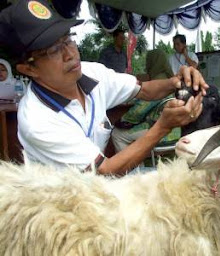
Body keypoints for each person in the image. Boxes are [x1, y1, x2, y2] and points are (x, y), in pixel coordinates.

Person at [0, 0, 208, 176]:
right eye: (54, 50)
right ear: (28, 69)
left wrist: (176, 82)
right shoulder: (38, 121)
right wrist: (163, 126)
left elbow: (144, 89)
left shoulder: (92, 73)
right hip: (62, 210)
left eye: (68, 40)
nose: (70, 54)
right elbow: (105, 170)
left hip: (97, 190)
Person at [112, 49, 180, 153]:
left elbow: (137, 113)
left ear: (151, 63)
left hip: (160, 131)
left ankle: (131, 169)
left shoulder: (156, 83)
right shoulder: (170, 80)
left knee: (117, 134)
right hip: (176, 131)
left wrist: (120, 120)